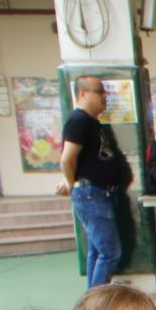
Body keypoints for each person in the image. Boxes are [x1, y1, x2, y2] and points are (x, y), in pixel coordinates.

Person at [57, 76, 132, 288]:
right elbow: (67, 159)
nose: (104, 96)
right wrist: (71, 183)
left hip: (101, 193)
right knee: (110, 252)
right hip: (91, 194)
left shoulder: (92, 122)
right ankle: (97, 300)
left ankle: (92, 296)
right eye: (99, 91)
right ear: (83, 94)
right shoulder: (78, 121)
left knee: (98, 251)